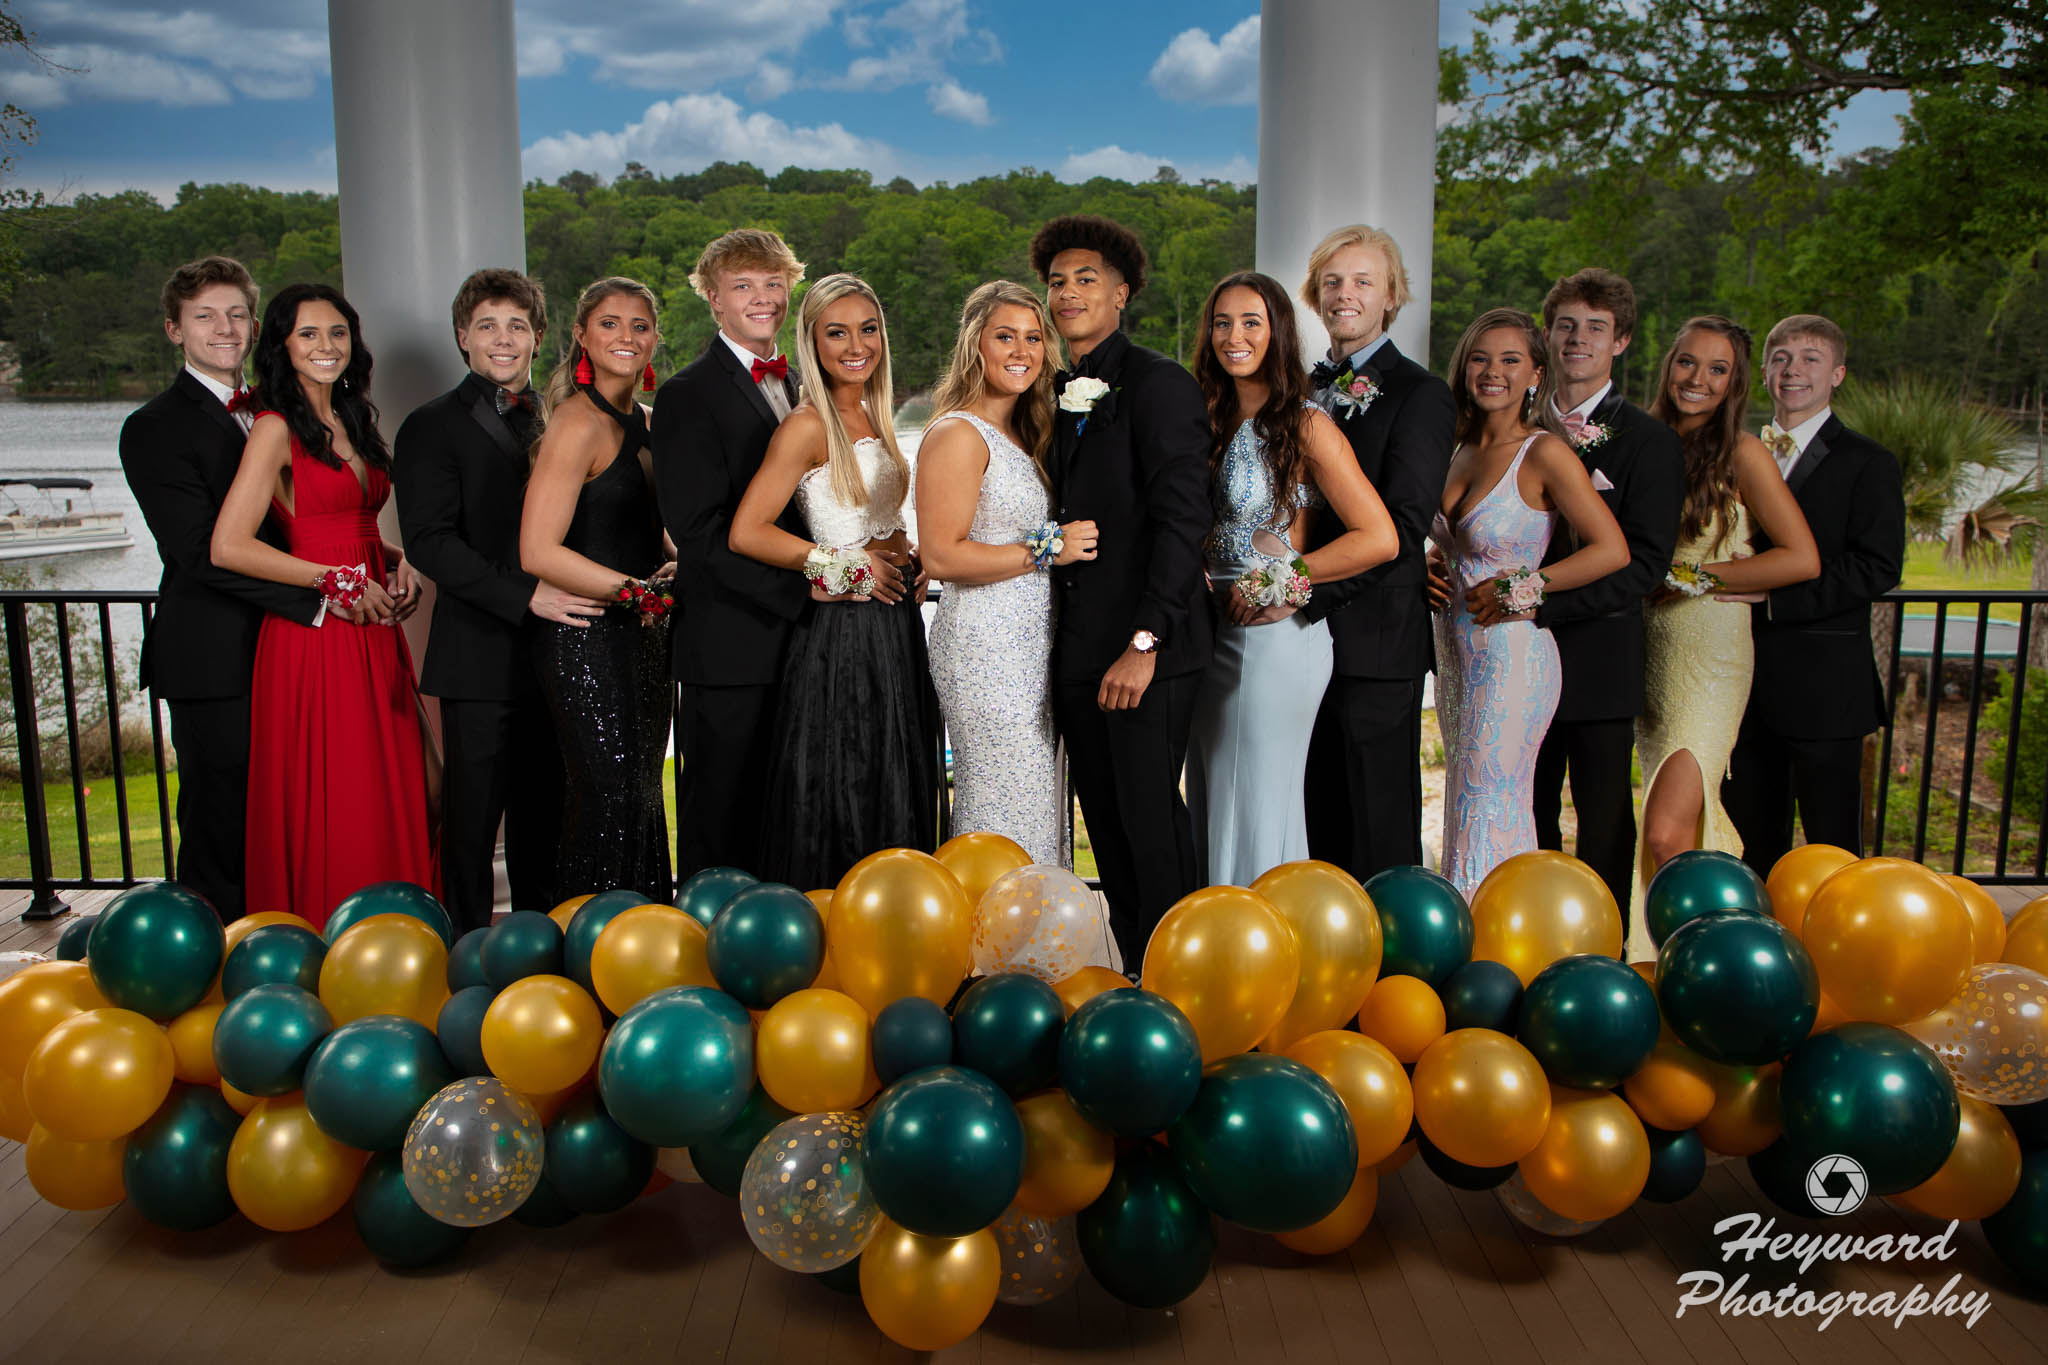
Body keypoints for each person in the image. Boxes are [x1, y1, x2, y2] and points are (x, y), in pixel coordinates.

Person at [210, 282, 436, 927]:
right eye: (308, 334)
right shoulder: (274, 429)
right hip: (320, 637)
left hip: (374, 624)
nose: (326, 346)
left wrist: (399, 560)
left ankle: (402, 933)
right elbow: (228, 546)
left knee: (421, 787)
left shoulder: (355, 419)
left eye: (337, 333)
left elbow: (355, 525)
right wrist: (332, 582)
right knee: (345, 796)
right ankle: (336, 938)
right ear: (282, 345)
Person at [1031, 214, 1213, 970]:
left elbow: (1183, 521)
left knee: (1151, 826)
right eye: (1057, 282)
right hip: (1074, 652)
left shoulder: (1160, 383)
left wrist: (1146, 642)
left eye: (1085, 279)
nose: (1068, 293)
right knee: (1105, 826)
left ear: (1122, 292)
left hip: (1146, 653)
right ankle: (1137, 970)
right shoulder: (1049, 390)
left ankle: (1188, 981)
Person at [394, 269, 599, 934]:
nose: (502, 339)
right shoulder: (429, 427)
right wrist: (526, 593)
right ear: (463, 336)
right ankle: (465, 950)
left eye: (516, 325)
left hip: (560, 652)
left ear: (539, 337)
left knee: (551, 813)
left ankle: (544, 949)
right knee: (473, 821)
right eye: (487, 325)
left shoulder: (567, 420)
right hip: (478, 655)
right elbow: (429, 542)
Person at [119, 257, 323, 923]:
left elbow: (302, 524)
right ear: (175, 330)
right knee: (220, 824)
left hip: (286, 651)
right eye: (204, 315)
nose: (225, 328)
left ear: (256, 324)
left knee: (285, 814)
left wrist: (381, 558)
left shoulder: (274, 412)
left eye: (237, 313)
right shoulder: (153, 427)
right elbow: (203, 552)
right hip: (212, 656)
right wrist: (319, 599)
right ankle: (212, 972)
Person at [1188, 271, 1398, 887]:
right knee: (1213, 795)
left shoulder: (1305, 424)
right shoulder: (1201, 418)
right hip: (1208, 632)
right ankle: (1211, 944)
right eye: (1222, 322)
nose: (1234, 336)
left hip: (1271, 635)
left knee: (1255, 801)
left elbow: (1379, 537)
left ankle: (1261, 952)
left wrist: (1281, 579)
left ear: (1277, 331)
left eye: (1251, 322)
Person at [729, 273, 937, 888]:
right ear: (813, 342)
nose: (857, 345)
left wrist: (909, 550)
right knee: (846, 781)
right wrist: (843, 567)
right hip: (844, 635)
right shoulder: (806, 425)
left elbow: (876, 516)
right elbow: (747, 531)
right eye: (837, 332)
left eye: (868, 329)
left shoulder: (875, 412)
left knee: (894, 777)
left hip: (895, 622)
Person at [1630, 317, 1818, 954]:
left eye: (1717, 370)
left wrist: (1694, 574)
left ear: (1735, 383)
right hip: (1647, 645)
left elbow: (1800, 558)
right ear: (1668, 364)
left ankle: (1696, 957)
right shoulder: (1637, 438)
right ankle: (1666, 961)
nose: (1698, 380)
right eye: (1688, 363)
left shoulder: (1743, 453)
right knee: (1670, 815)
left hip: (1708, 649)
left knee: (1666, 831)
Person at [1431, 308, 1627, 898]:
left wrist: (1527, 587)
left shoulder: (1543, 452)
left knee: (1487, 797)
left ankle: (1490, 943)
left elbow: (1611, 549)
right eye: (1480, 358)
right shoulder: (1455, 449)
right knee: (1463, 795)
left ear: (1535, 374)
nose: (1493, 371)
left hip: (1514, 653)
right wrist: (1427, 562)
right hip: (1456, 652)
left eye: (1510, 360)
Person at [1295, 226, 1457, 883]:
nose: (1345, 294)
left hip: (1377, 642)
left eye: (1363, 281)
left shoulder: (1422, 395)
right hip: (1300, 648)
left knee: (1379, 822)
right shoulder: (1299, 388)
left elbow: (1405, 524)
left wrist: (1300, 596)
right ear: (1314, 295)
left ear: (1391, 296)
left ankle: (1394, 974)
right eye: (1332, 281)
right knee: (1317, 817)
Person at [916, 281, 1098, 867]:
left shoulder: (1030, 432)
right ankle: (991, 946)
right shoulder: (957, 434)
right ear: (975, 345)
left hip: (1031, 644)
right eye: (1004, 336)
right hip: (985, 648)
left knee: (1037, 804)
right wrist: (1047, 550)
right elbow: (942, 556)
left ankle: (1037, 944)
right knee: (1002, 807)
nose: (1021, 350)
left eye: (1033, 337)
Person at [1527, 269, 1683, 923]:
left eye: (1595, 328)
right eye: (1566, 325)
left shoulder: (1648, 442)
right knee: (1527, 812)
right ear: (1548, 334)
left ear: (1620, 341)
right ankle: (1529, 930)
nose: (1577, 340)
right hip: (1516, 661)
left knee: (1603, 819)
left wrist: (1540, 606)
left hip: (1599, 660)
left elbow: (1644, 564)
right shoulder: (1515, 425)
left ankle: (1602, 944)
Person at [1724, 314, 1905, 874]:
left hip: (1825, 689)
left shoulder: (1867, 462)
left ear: (1838, 374)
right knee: (1748, 842)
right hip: (1738, 683)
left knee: (1833, 846)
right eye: (1781, 358)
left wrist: (1774, 600)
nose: (1793, 371)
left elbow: (1876, 567)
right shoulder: (1735, 452)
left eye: (1810, 359)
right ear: (1765, 373)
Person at [519, 277, 675, 903]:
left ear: (655, 339)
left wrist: (676, 567)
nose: (627, 337)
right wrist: (637, 593)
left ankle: (647, 941)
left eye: (640, 326)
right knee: (607, 793)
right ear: (581, 335)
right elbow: (538, 550)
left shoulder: (650, 422)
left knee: (642, 792)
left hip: (645, 635)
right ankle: (590, 950)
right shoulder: (574, 422)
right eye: (610, 324)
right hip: (584, 636)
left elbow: (656, 533)